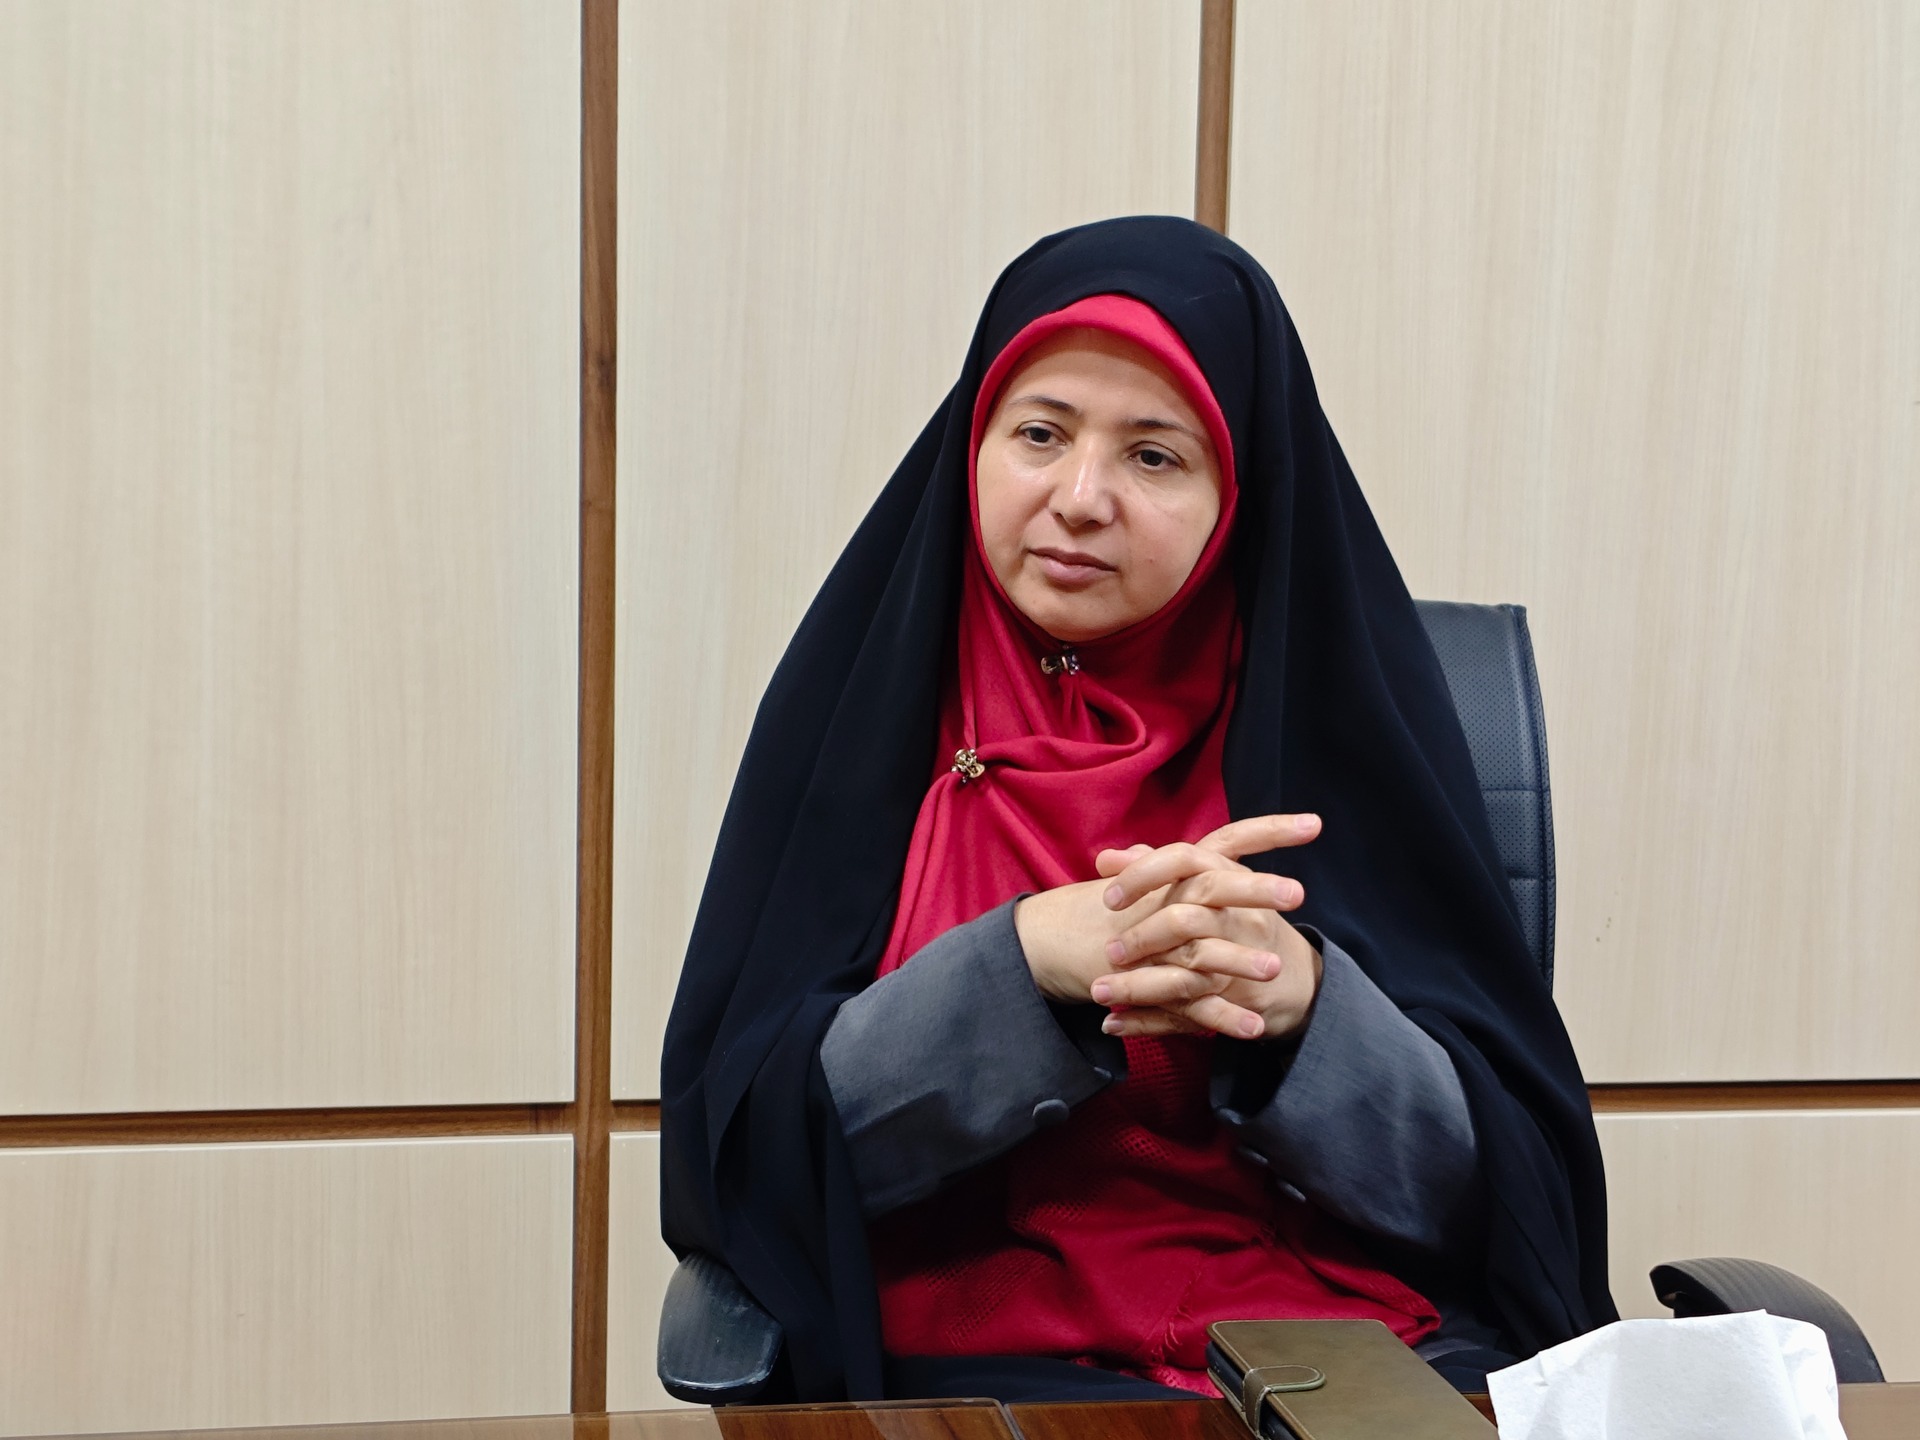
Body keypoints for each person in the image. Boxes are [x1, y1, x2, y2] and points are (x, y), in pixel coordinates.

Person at [660, 217, 1615, 1405]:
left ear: (1241, 490)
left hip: (1332, 1359)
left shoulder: (1341, 726)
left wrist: (1301, 1010)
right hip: (957, 1373)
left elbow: (1505, 1206)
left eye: (1155, 456)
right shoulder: (863, 711)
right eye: (1040, 433)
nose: (1079, 498)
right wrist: (1024, 967)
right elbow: (743, 1164)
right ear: (974, 443)